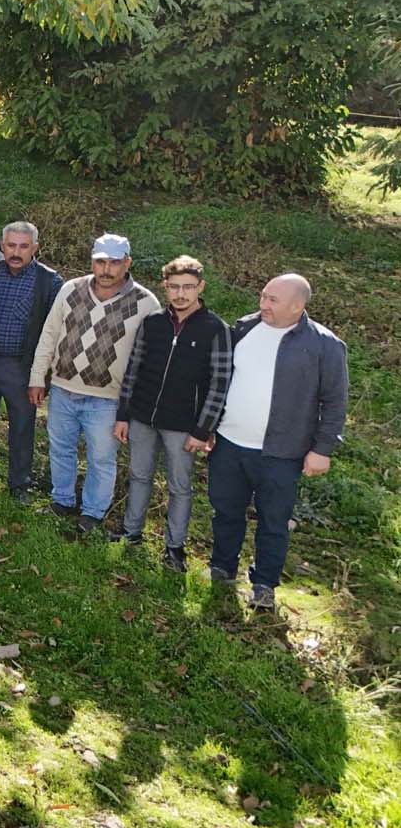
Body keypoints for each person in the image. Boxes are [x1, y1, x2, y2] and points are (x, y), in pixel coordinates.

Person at [207, 274, 347, 611]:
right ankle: (222, 569)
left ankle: (264, 584)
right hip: (229, 443)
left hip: (281, 454)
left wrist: (322, 449)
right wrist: (208, 426)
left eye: (273, 300)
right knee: (225, 511)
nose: (263, 304)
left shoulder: (324, 345)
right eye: (263, 296)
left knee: (273, 522)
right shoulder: (243, 329)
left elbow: (335, 401)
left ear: (298, 306)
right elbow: (219, 380)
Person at [28, 233, 160, 532]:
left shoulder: (145, 302)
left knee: (101, 458)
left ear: (127, 263)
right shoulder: (70, 290)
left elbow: (150, 358)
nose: (107, 269)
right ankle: (61, 500)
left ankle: (93, 512)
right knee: (61, 449)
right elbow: (49, 334)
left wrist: (133, 404)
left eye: (114, 263)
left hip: (108, 398)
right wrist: (38, 377)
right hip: (63, 388)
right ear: (92, 261)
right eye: (101, 262)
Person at [111, 255, 231, 571]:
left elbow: (220, 383)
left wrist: (203, 429)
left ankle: (174, 548)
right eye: (174, 287)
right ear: (165, 287)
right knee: (139, 476)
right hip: (142, 417)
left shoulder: (215, 329)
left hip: (184, 425)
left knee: (179, 486)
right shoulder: (152, 323)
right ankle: (130, 532)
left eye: (188, 287)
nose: (181, 294)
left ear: (200, 287)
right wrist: (123, 414)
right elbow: (133, 369)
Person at [0, 221, 63, 500]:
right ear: (2, 246)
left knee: (22, 427)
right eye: (11, 245)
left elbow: (54, 331)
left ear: (35, 247)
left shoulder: (49, 281)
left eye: (24, 246)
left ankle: (19, 483)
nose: (16, 252)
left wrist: (42, 375)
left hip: (22, 367)